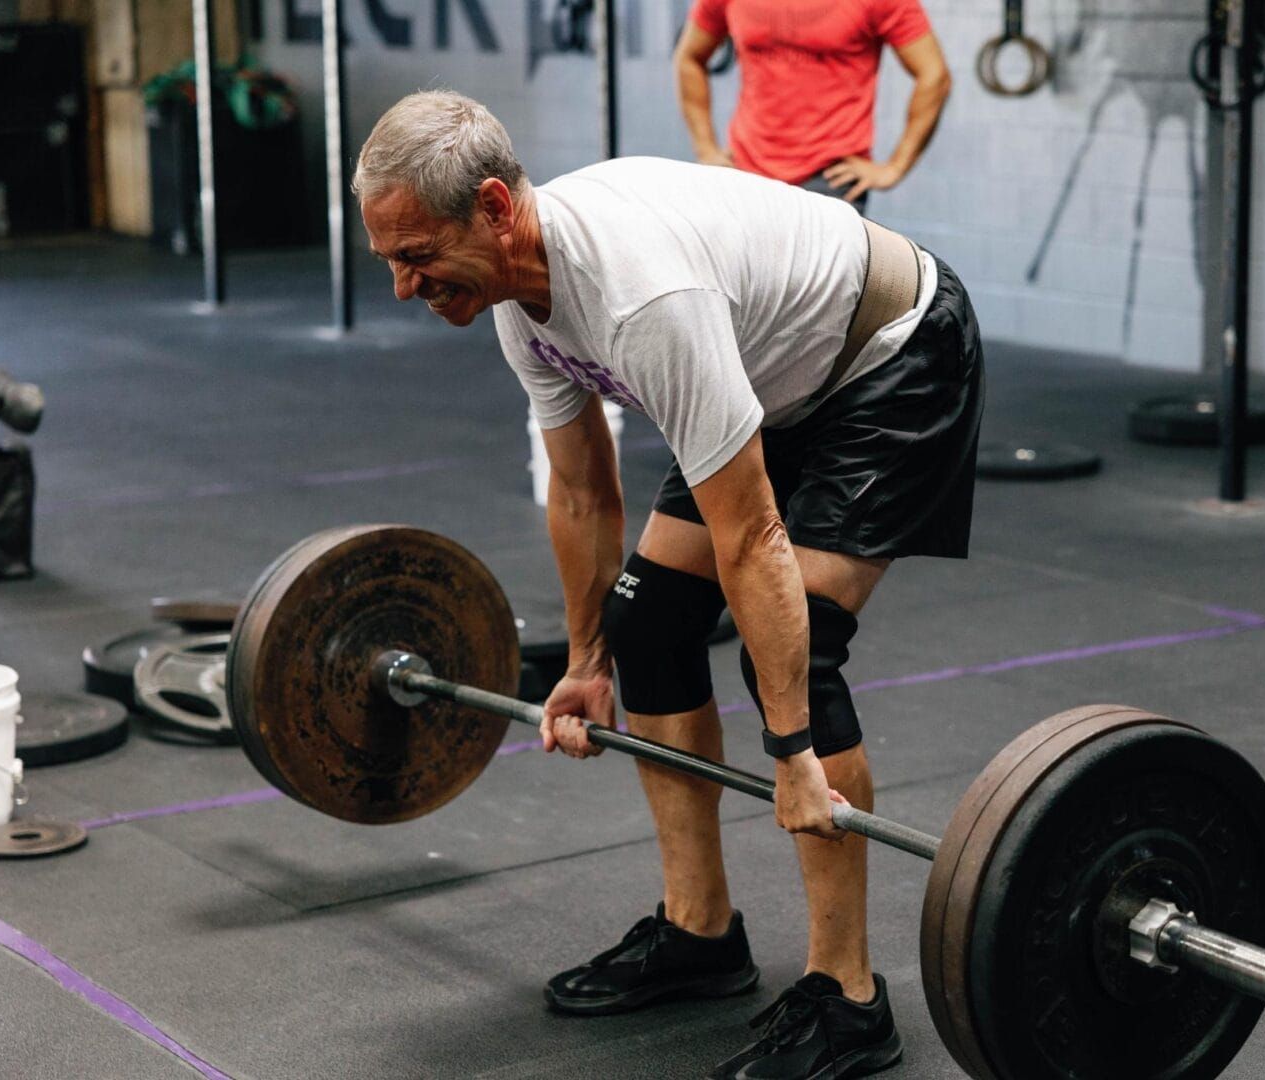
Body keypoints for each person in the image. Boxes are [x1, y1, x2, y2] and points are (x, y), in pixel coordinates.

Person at [355, 90, 983, 1080]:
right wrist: (587, 663)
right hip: (767, 368)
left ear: (492, 207)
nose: (401, 286)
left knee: (801, 652)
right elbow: (578, 487)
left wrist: (790, 752)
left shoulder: (639, 297)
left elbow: (752, 535)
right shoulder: (518, 302)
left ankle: (848, 995)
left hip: (888, 359)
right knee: (647, 627)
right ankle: (701, 935)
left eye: (415, 255)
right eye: (388, 260)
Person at [673, 0, 950, 211]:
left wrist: (894, 168)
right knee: (743, 287)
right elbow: (690, 57)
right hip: (747, 174)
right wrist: (706, 149)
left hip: (829, 180)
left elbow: (934, 74)